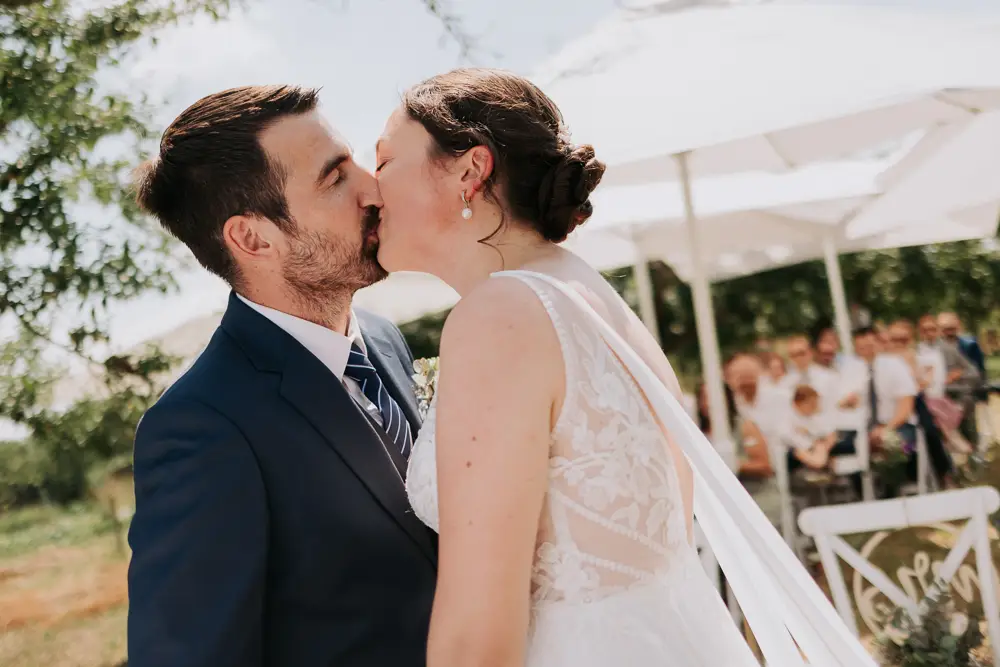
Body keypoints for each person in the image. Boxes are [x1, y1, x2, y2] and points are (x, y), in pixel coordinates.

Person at [375, 68, 871, 666]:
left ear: (469, 171)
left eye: (383, 164)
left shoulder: (501, 316)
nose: (370, 192)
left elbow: (478, 640)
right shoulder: (588, 294)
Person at [127, 86, 436, 667]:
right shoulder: (202, 429)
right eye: (335, 177)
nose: (375, 187)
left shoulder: (385, 340)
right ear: (253, 239)